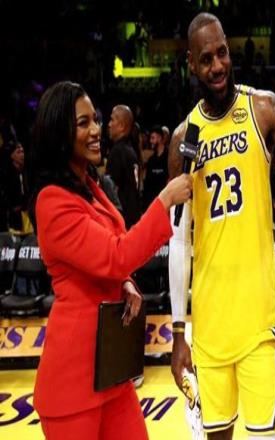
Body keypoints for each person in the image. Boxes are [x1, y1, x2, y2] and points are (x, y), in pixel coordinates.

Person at [168, 13, 275, 440]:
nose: (218, 66)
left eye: (222, 53)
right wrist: (179, 332)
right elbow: (179, 242)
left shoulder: (263, 109)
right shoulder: (184, 138)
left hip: (258, 326)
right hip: (209, 330)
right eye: (206, 59)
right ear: (191, 64)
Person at [28, 81, 192, 440]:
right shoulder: (51, 201)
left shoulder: (89, 186)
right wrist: (164, 200)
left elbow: (106, 254)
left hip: (110, 367)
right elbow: (117, 254)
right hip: (73, 380)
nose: (95, 130)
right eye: (83, 123)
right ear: (59, 133)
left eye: (96, 120)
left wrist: (125, 282)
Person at [106, 105, 141, 229]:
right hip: (134, 219)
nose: (109, 124)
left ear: (121, 126)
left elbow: (111, 192)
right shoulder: (132, 151)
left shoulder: (117, 152)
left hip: (122, 222)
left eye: (112, 120)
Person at [142, 125, 169, 209]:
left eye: (153, 138)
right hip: (152, 204)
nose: (151, 141)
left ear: (160, 138)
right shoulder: (151, 160)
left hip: (165, 203)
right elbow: (147, 184)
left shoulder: (169, 158)